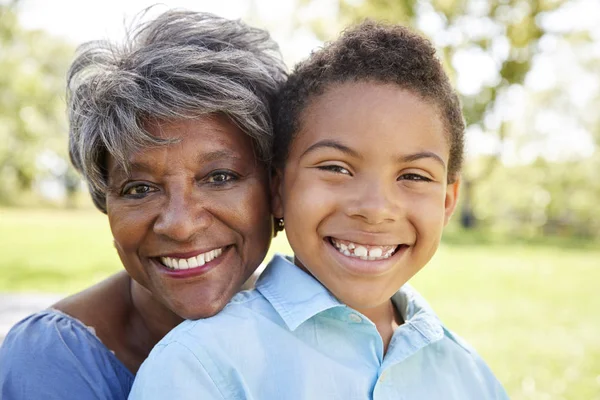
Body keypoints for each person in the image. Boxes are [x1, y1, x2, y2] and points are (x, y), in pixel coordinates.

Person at [130, 20, 509, 399]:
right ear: (278, 189)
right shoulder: (200, 368)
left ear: (446, 201)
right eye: (336, 168)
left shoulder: (470, 377)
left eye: (413, 176)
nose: (375, 210)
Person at [0, 10, 286, 400]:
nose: (180, 225)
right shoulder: (50, 362)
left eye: (219, 177)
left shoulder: (330, 329)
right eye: (139, 189)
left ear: (277, 188)